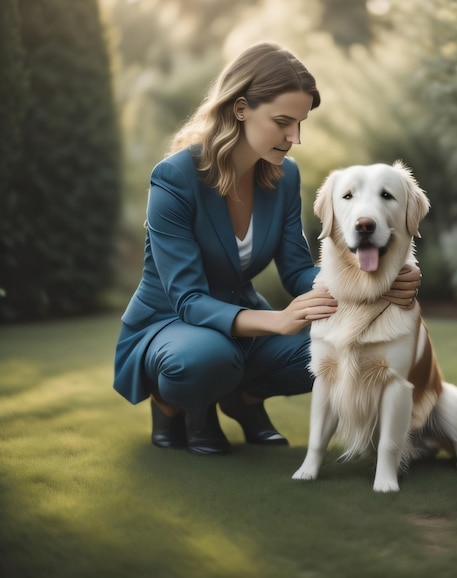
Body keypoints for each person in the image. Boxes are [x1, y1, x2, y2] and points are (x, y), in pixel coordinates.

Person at [113, 42, 422, 456]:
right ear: (241, 108)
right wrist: (276, 321)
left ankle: (245, 399)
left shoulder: (284, 176)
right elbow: (187, 298)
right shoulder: (174, 178)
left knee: (338, 350)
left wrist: (376, 282)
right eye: (282, 122)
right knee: (208, 358)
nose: (294, 138)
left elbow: (297, 270)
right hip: (169, 322)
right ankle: (171, 403)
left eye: (300, 123)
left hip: (241, 324)